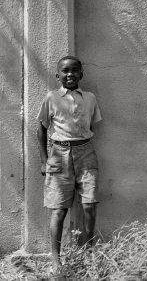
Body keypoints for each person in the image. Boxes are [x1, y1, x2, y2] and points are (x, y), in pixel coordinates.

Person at [37, 56, 102, 272]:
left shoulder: (90, 98)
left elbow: (91, 123)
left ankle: (88, 252)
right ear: (58, 75)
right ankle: (55, 259)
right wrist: (45, 161)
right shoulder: (52, 98)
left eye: (75, 70)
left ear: (81, 74)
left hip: (86, 153)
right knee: (59, 210)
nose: (70, 74)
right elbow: (41, 129)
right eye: (65, 71)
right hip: (59, 154)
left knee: (90, 205)